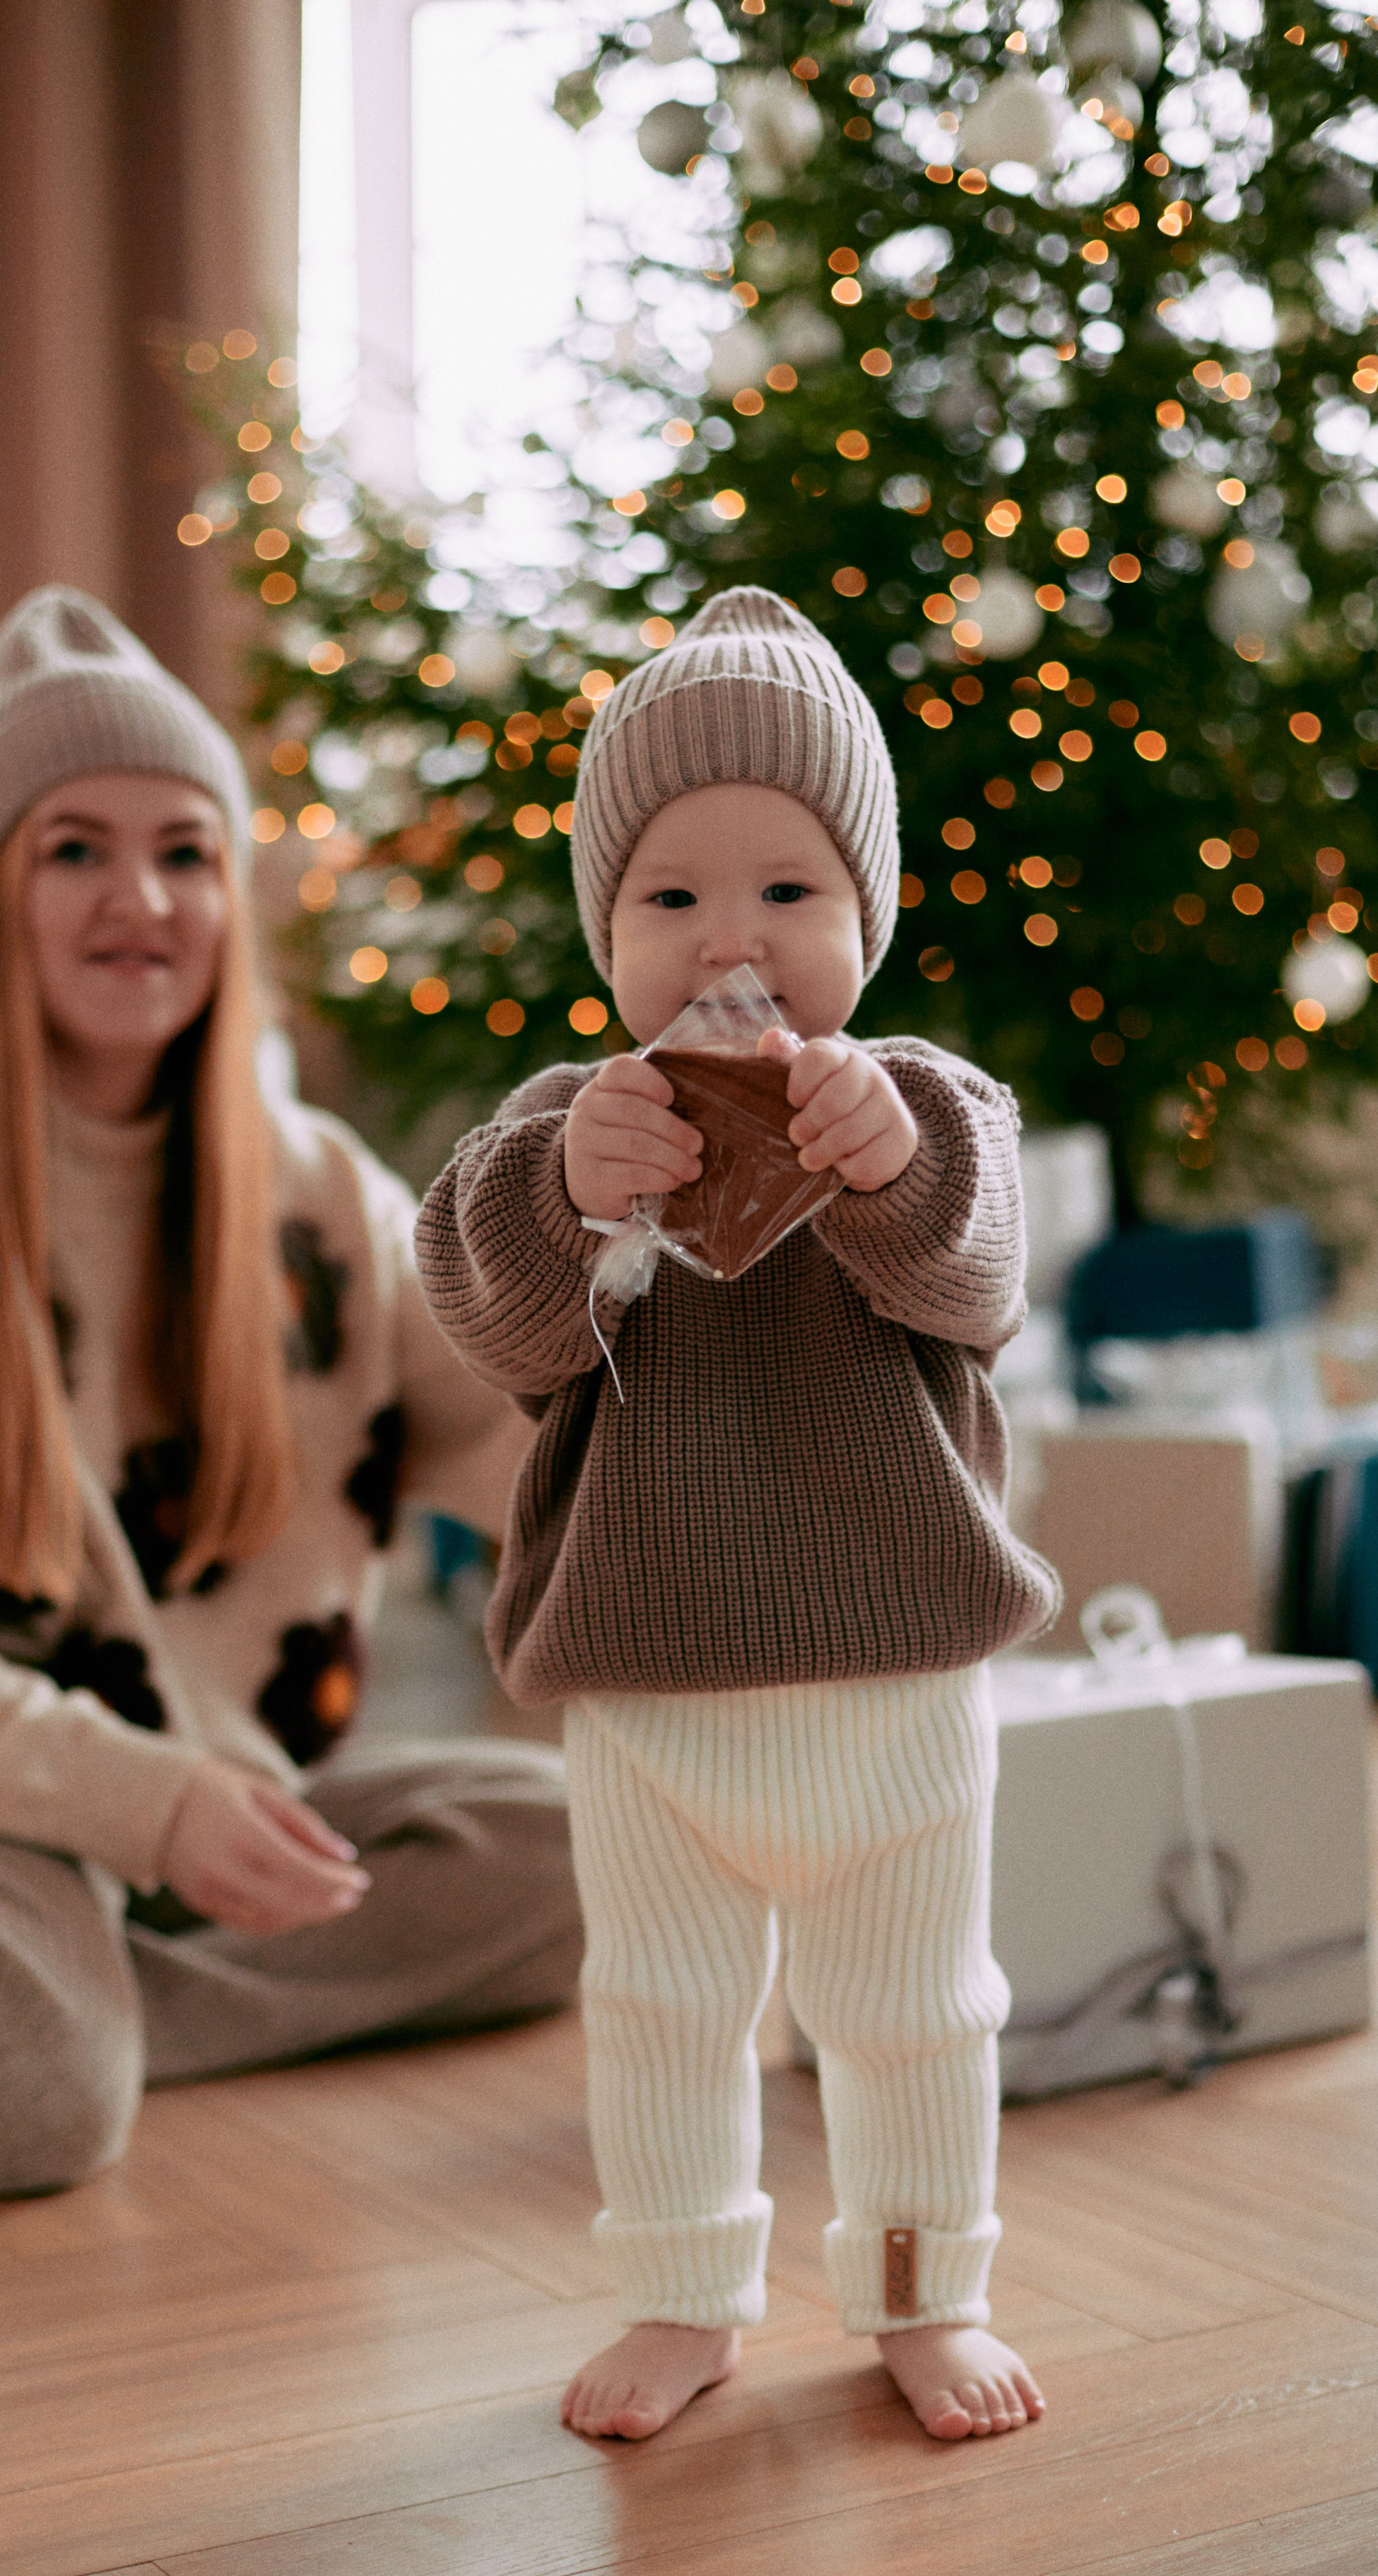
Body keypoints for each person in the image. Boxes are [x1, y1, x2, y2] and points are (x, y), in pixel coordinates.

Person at [0, 586, 580, 2209]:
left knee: (583, 1856)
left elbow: (524, 1456)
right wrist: (140, 1807)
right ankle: (16, 2022)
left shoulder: (317, 1191)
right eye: (73, 848)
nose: (136, 899)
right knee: (44, 2096)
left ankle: (34, 2009)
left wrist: (751, 1455)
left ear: (229, 894)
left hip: (196, 1795)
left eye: (184, 851)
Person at [415, 588, 1060, 2444]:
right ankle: (684, 2293)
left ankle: (931, 2289)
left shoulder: (926, 1104)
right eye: (672, 899)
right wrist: (563, 1191)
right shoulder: (569, 1125)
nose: (733, 941)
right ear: (606, 929)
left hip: (898, 1676)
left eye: (789, 892)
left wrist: (894, 1163)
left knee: (922, 2012)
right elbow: (495, 1322)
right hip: (651, 1684)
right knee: (661, 2013)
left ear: (866, 911)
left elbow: (980, 1283)